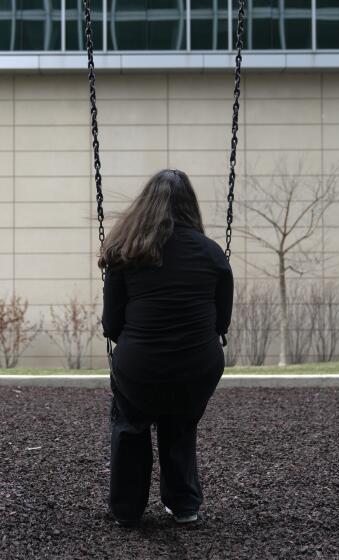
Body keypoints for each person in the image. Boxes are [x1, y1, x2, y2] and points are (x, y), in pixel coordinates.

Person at [99, 169, 234, 527]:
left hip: (140, 367)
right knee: (180, 424)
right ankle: (184, 504)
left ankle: (127, 510)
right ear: (190, 206)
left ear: (145, 206)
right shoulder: (213, 254)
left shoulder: (125, 253)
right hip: (197, 366)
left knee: (131, 426)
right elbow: (221, 323)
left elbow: (111, 326)